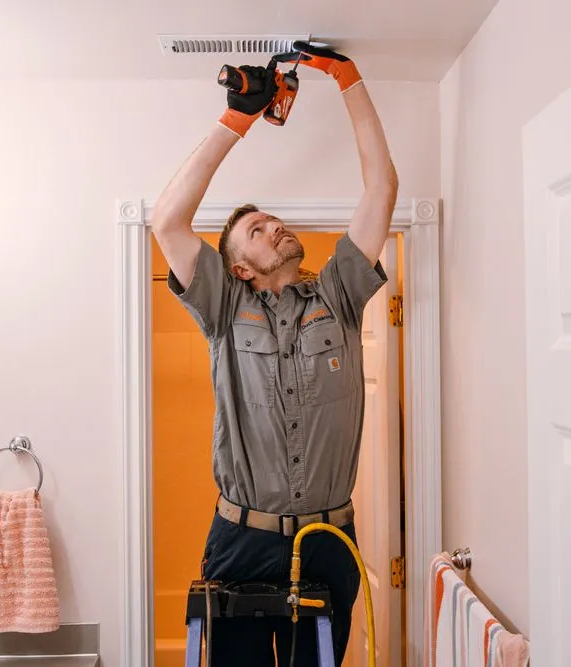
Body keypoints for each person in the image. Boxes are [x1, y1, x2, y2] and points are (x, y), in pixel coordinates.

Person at [151, 41, 398, 666]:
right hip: (241, 539)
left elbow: (382, 188)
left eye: (274, 221)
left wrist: (348, 79)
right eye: (256, 231)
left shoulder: (339, 296)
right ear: (238, 266)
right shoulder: (225, 307)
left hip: (328, 539)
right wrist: (237, 118)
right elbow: (167, 221)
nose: (276, 227)